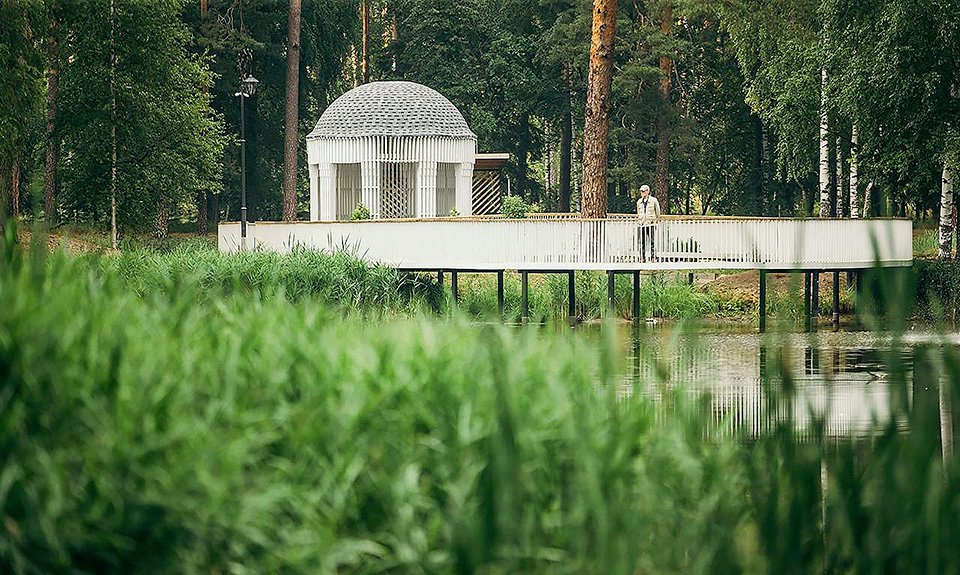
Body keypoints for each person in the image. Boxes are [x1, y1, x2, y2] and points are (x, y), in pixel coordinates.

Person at [636, 184, 660, 262]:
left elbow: (657, 212)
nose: (642, 193)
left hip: (651, 224)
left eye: (643, 191)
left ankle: (653, 257)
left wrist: (655, 221)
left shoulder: (653, 200)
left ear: (647, 191)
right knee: (642, 242)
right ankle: (642, 258)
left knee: (652, 241)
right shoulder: (639, 201)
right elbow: (638, 212)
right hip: (642, 224)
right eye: (641, 191)